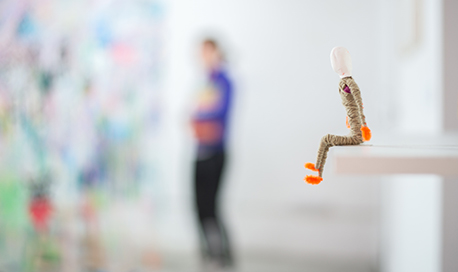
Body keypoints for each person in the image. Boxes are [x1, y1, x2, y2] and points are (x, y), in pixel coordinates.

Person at [191, 38, 234, 269]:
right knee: (198, 208)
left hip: (215, 153)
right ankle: (208, 254)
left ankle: (222, 256)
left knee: (211, 207)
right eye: (201, 52)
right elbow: (193, 117)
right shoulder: (204, 83)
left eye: (208, 51)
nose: (204, 56)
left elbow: (216, 117)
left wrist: (200, 118)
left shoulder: (224, 81)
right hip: (200, 151)